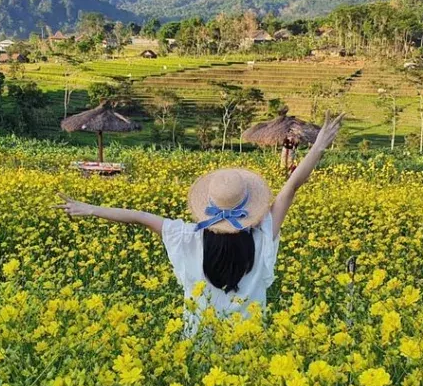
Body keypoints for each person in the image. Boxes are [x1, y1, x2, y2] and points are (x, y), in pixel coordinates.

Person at [56, 113, 345, 334]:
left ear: (209, 206)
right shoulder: (263, 234)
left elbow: (137, 216)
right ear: (248, 209)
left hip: (198, 348)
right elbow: (291, 186)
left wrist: (90, 208)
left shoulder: (186, 237)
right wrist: (318, 146)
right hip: (249, 349)